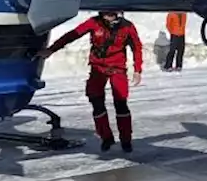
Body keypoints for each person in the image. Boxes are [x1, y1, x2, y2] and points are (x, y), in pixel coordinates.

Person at [38, 10, 143, 153]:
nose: (109, 16)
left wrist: (137, 70)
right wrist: (51, 50)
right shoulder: (94, 23)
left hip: (117, 68)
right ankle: (106, 137)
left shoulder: (127, 26)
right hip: (98, 68)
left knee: (121, 103)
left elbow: (137, 47)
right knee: (96, 101)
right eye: (106, 13)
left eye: (112, 13)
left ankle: (126, 140)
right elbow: (72, 35)